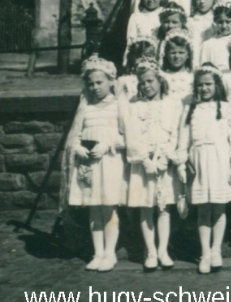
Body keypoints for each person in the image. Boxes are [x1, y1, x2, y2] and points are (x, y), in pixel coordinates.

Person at [177, 65, 231, 274]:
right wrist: (181, 163)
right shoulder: (190, 109)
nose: (204, 88)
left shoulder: (227, 108)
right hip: (198, 162)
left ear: (217, 86)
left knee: (219, 208)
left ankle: (216, 250)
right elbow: (183, 138)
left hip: (220, 160)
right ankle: (205, 252)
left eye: (208, 84)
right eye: (200, 85)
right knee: (203, 210)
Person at [66, 55, 126, 272]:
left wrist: (108, 145)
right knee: (94, 208)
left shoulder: (118, 105)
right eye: (91, 84)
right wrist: (77, 147)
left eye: (99, 82)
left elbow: (127, 137)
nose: (95, 87)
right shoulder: (86, 107)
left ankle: (110, 252)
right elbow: (75, 134)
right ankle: (98, 252)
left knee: (108, 208)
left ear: (111, 81)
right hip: (89, 164)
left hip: (110, 162)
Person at [124, 59, 184, 271]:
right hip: (144, 163)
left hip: (164, 162)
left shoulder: (172, 104)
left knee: (164, 207)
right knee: (146, 207)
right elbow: (131, 135)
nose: (146, 85)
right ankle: (149, 251)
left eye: (150, 81)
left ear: (160, 81)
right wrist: (145, 159)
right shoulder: (134, 106)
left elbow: (176, 132)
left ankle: (163, 250)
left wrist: (165, 157)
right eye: (142, 82)